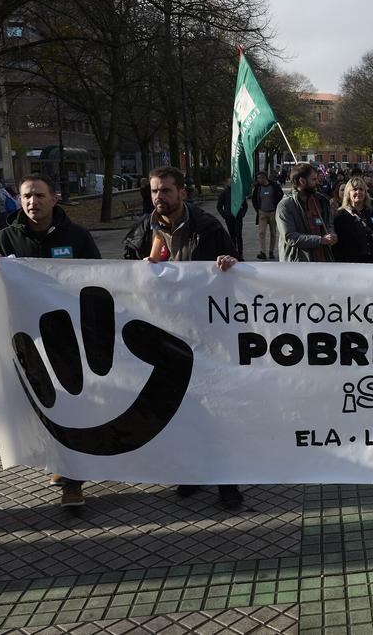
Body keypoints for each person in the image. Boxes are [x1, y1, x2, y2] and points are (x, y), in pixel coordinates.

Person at [123, 165, 243, 509]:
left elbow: (238, 271)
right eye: (154, 191)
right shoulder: (142, 231)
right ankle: (191, 471)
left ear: (182, 193)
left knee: (214, 411)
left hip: (204, 334)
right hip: (163, 334)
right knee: (180, 409)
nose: (158, 197)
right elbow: (123, 276)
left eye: (165, 190)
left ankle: (226, 481)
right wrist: (136, 270)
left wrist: (229, 264)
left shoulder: (207, 228)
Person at [0, 174, 102, 508]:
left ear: (54, 199)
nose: (32, 202)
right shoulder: (6, 238)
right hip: (28, 339)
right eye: (26, 197)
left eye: (39, 195)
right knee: (44, 405)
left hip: (69, 340)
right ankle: (59, 462)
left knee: (72, 407)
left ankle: (73, 482)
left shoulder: (77, 236)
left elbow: (98, 278)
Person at [276, 162, 337, 262]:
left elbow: (328, 224)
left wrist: (331, 234)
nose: (318, 182)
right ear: (302, 181)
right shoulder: (285, 205)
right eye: (313, 179)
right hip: (299, 264)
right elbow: (290, 237)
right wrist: (320, 240)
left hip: (323, 260)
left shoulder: (321, 201)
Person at [333, 177, 373, 263]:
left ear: (365, 192)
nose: (358, 192)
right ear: (348, 193)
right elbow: (337, 246)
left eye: (361, 189)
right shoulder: (340, 216)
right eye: (354, 189)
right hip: (352, 263)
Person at [251, 170, 283, 260]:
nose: (258, 180)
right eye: (257, 178)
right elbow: (254, 199)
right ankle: (263, 252)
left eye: (259, 178)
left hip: (273, 212)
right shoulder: (258, 187)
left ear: (264, 178)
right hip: (262, 213)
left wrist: (276, 206)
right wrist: (257, 209)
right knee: (261, 232)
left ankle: (271, 251)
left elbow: (281, 194)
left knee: (273, 233)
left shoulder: (274, 186)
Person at [215, 176, 248, 261]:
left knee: (238, 235)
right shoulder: (224, 193)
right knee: (232, 236)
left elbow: (245, 205)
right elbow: (219, 206)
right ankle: (233, 253)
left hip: (238, 217)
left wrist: (242, 214)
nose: (232, 183)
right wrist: (224, 215)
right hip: (229, 217)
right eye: (230, 182)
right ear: (227, 183)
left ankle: (240, 253)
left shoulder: (239, 192)